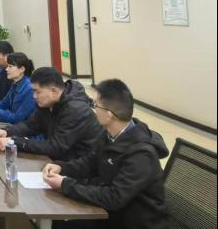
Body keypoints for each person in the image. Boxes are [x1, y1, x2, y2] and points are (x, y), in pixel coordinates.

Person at [42, 79, 169, 229]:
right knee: (60, 221)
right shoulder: (109, 134)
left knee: (65, 224)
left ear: (109, 115)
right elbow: (90, 162)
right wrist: (61, 167)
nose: (94, 110)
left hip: (136, 223)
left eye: (95, 105)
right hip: (114, 214)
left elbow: (114, 198)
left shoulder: (142, 154)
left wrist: (65, 184)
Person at [0, 67, 103, 160]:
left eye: (37, 91)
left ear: (53, 91)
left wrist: (14, 142)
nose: (34, 96)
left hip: (79, 166)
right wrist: (7, 131)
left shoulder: (75, 110)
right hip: (60, 160)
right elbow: (31, 125)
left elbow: (56, 147)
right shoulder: (48, 102)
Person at [0, 52, 36, 124]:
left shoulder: (30, 90)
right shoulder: (15, 84)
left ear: (22, 69)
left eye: (10, 66)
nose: (6, 69)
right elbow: (3, 104)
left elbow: (17, 118)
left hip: (21, 128)